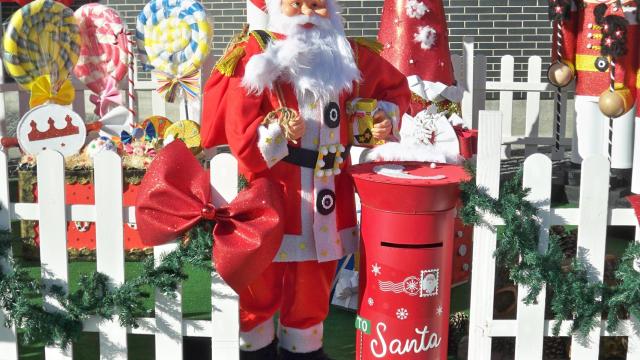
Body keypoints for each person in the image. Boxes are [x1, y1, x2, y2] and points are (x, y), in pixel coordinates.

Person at [200, 0, 411, 359]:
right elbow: (239, 128)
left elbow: (394, 90)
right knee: (259, 281)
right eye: (296, 4)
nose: (308, 13)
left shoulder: (350, 53)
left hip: (330, 192)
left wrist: (379, 120)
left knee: (314, 282)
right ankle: (256, 350)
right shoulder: (255, 53)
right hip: (274, 191)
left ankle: (305, 350)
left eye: (317, 5)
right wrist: (275, 132)